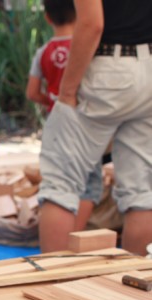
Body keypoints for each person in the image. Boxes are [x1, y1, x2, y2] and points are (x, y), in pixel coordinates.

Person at [38, 0, 152, 255]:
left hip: (108, 66)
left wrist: (67, 91)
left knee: (61, 184)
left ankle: (52, 287)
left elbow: (92, 23)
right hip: (148, 67)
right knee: (142, 192)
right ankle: (137, 287)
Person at [26, 0, 102, 232]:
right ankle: (76, 233)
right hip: (87, 122)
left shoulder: (43, 52)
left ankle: (60, 241)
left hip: (57, 120)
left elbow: (32, 92)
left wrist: (51, 100)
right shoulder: (90, 47)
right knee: (89, 183)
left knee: (57, 183)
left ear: (47, 18)